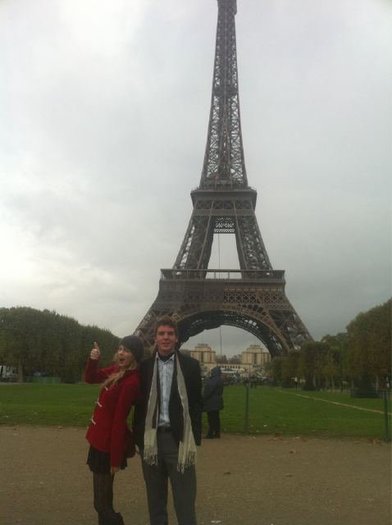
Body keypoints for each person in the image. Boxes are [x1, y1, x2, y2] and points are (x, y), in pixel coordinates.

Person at [133, 316, 202, 525]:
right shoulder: (143, 367)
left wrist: (193, 438)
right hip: (151, 440)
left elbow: (196, 404)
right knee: (155, 500)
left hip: (178, 440)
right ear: (155, 337)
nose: (165, 338)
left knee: (185, 500)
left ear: (177, 338)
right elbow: (139, 405)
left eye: (170, 334)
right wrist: (139, 440)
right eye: (161, 334)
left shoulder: (190, 366)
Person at [84, 335, 144, 525]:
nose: (121, 352)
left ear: (135, 355)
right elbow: (90, 378)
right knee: (105, 500)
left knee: (100, 505)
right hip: (99, 441)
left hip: (107, 447)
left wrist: (115, 459)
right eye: (119, 348)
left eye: (126, 350)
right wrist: (93, 359)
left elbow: (119, 422)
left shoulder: (131, 382)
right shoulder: (117, 370)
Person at [203, 366, 224, 439]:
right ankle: (217, 433)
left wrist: (204, 397)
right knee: (216, 418)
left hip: (211, 401)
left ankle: (210, 433)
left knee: (211, 418)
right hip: (217, 400)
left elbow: (209, 390)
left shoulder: (213, 380)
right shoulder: (220, 379)